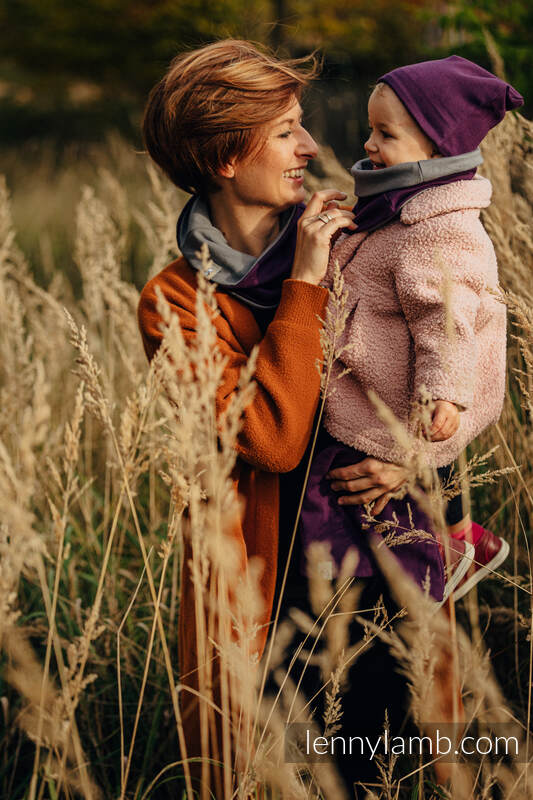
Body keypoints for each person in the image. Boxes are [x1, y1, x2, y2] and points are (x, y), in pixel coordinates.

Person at [136, 39, 408, 795]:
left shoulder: (358, 243)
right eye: (286, 130)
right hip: (264, 592)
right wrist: (305, 286)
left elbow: (438, 371)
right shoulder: (176, 302)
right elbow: (272, 443)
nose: (311, 146)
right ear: (225, 156)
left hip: (377, 569)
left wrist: (409, 452)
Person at [300, 56, 523, 607]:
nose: (370, 145)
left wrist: (444, 392)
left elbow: (445, 320)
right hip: (366, 403)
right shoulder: (397, 212)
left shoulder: (441, 230)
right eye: (370, 130)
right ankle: (441, 552)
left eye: (386, 134)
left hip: (401, 417)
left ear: (438, 150)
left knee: (389, 527)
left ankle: (426, 595)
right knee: (347, 507)